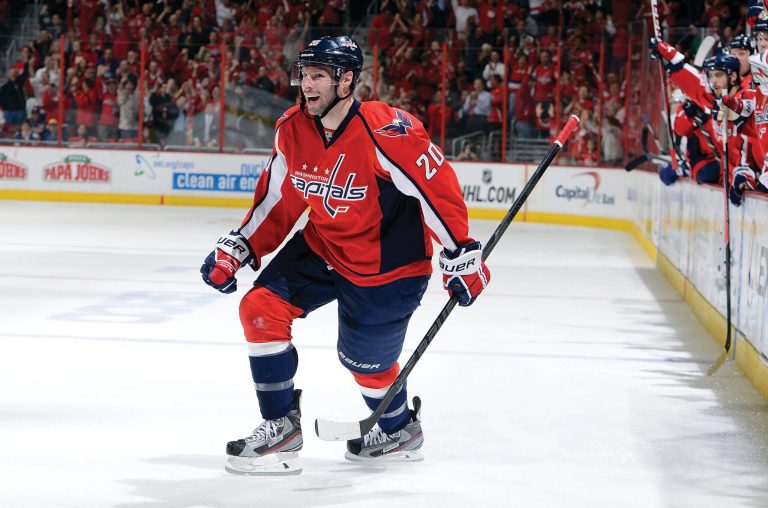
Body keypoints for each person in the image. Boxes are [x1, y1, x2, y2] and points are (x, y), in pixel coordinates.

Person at [200, 36, 491, 475]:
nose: (308, 85)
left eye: (319, 76)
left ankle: (398, 429)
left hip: (388, 268)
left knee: (363, 362)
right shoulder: (292, 128)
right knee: (259, 308)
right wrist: (241, 246)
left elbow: (437, 191)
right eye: (306, 74)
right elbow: (278, 200)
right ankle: (280, 425)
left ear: (347, 79)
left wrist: (460, 252)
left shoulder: (387, 130)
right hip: (323, 247)